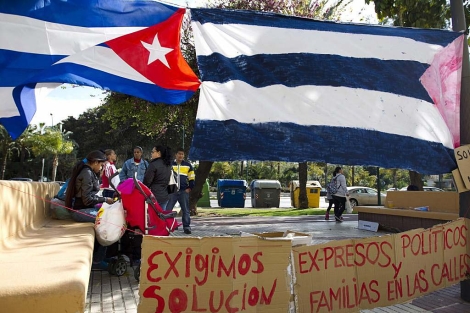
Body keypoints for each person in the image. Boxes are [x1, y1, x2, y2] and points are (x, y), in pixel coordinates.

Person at [64, 150, 115, 270]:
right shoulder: (86, 173)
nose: (102, 167)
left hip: (85, 209)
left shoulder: (89, 172)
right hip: (79, 211)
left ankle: (101, 255)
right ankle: (97, 261)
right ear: (96, 162)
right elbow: (87, 200)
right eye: (101, 165)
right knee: (105, 222)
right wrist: (104, 199)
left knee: (106, 217)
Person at [166, 148, 195, 234]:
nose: (181, 156)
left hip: (183, 190)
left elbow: (192, 178)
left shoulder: (188, 165)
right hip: (172, 189)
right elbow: (165, 176)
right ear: (176, 154)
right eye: (179, 154)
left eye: (182, 154)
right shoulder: (170, 164)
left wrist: (189, 188)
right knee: (168, 209)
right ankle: (169, 225)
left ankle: (186, 226)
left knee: (185, 209)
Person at [143, 145, 172, 211]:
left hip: (154, 195)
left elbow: (147, 181)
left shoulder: (153, 164)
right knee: (162, 216)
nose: (151, 153)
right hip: (165, 195)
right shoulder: (168, 165)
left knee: (154, 218)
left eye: (153, 152)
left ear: (158, 153)